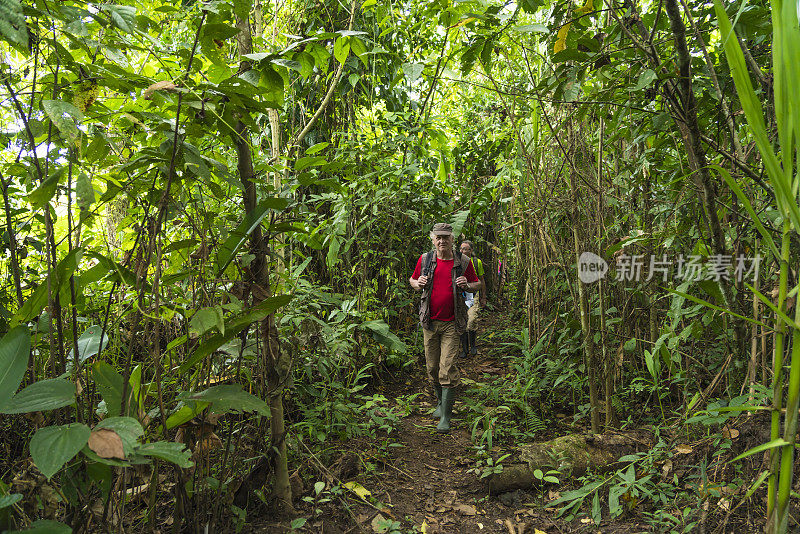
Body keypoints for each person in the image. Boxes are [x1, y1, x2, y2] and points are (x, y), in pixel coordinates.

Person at [410, 223, 480, 433]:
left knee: (447, 368)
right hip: (429, 322)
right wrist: (418, 283)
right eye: (438, 237)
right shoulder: (425, 260)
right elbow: (412, 280)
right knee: (432, 368)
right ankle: (440, 403)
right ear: (433, 240)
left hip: (452, 323)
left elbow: (477, 284)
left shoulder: (463, 261)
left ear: (452, 240)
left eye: (446, 237)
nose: (442, 241)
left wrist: (467, 285)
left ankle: (446, 418)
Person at [459, 240, 486, 357]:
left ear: (471, 250)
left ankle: (473, 345)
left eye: (466, 249)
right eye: (461, 248)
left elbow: (481, 280)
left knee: (471, 320)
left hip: (473, 294)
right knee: (462, 322)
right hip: (460, 295)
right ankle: (464, 349)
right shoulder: (457, 261)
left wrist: (483, 297)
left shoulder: (476, 262)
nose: (463, 251)